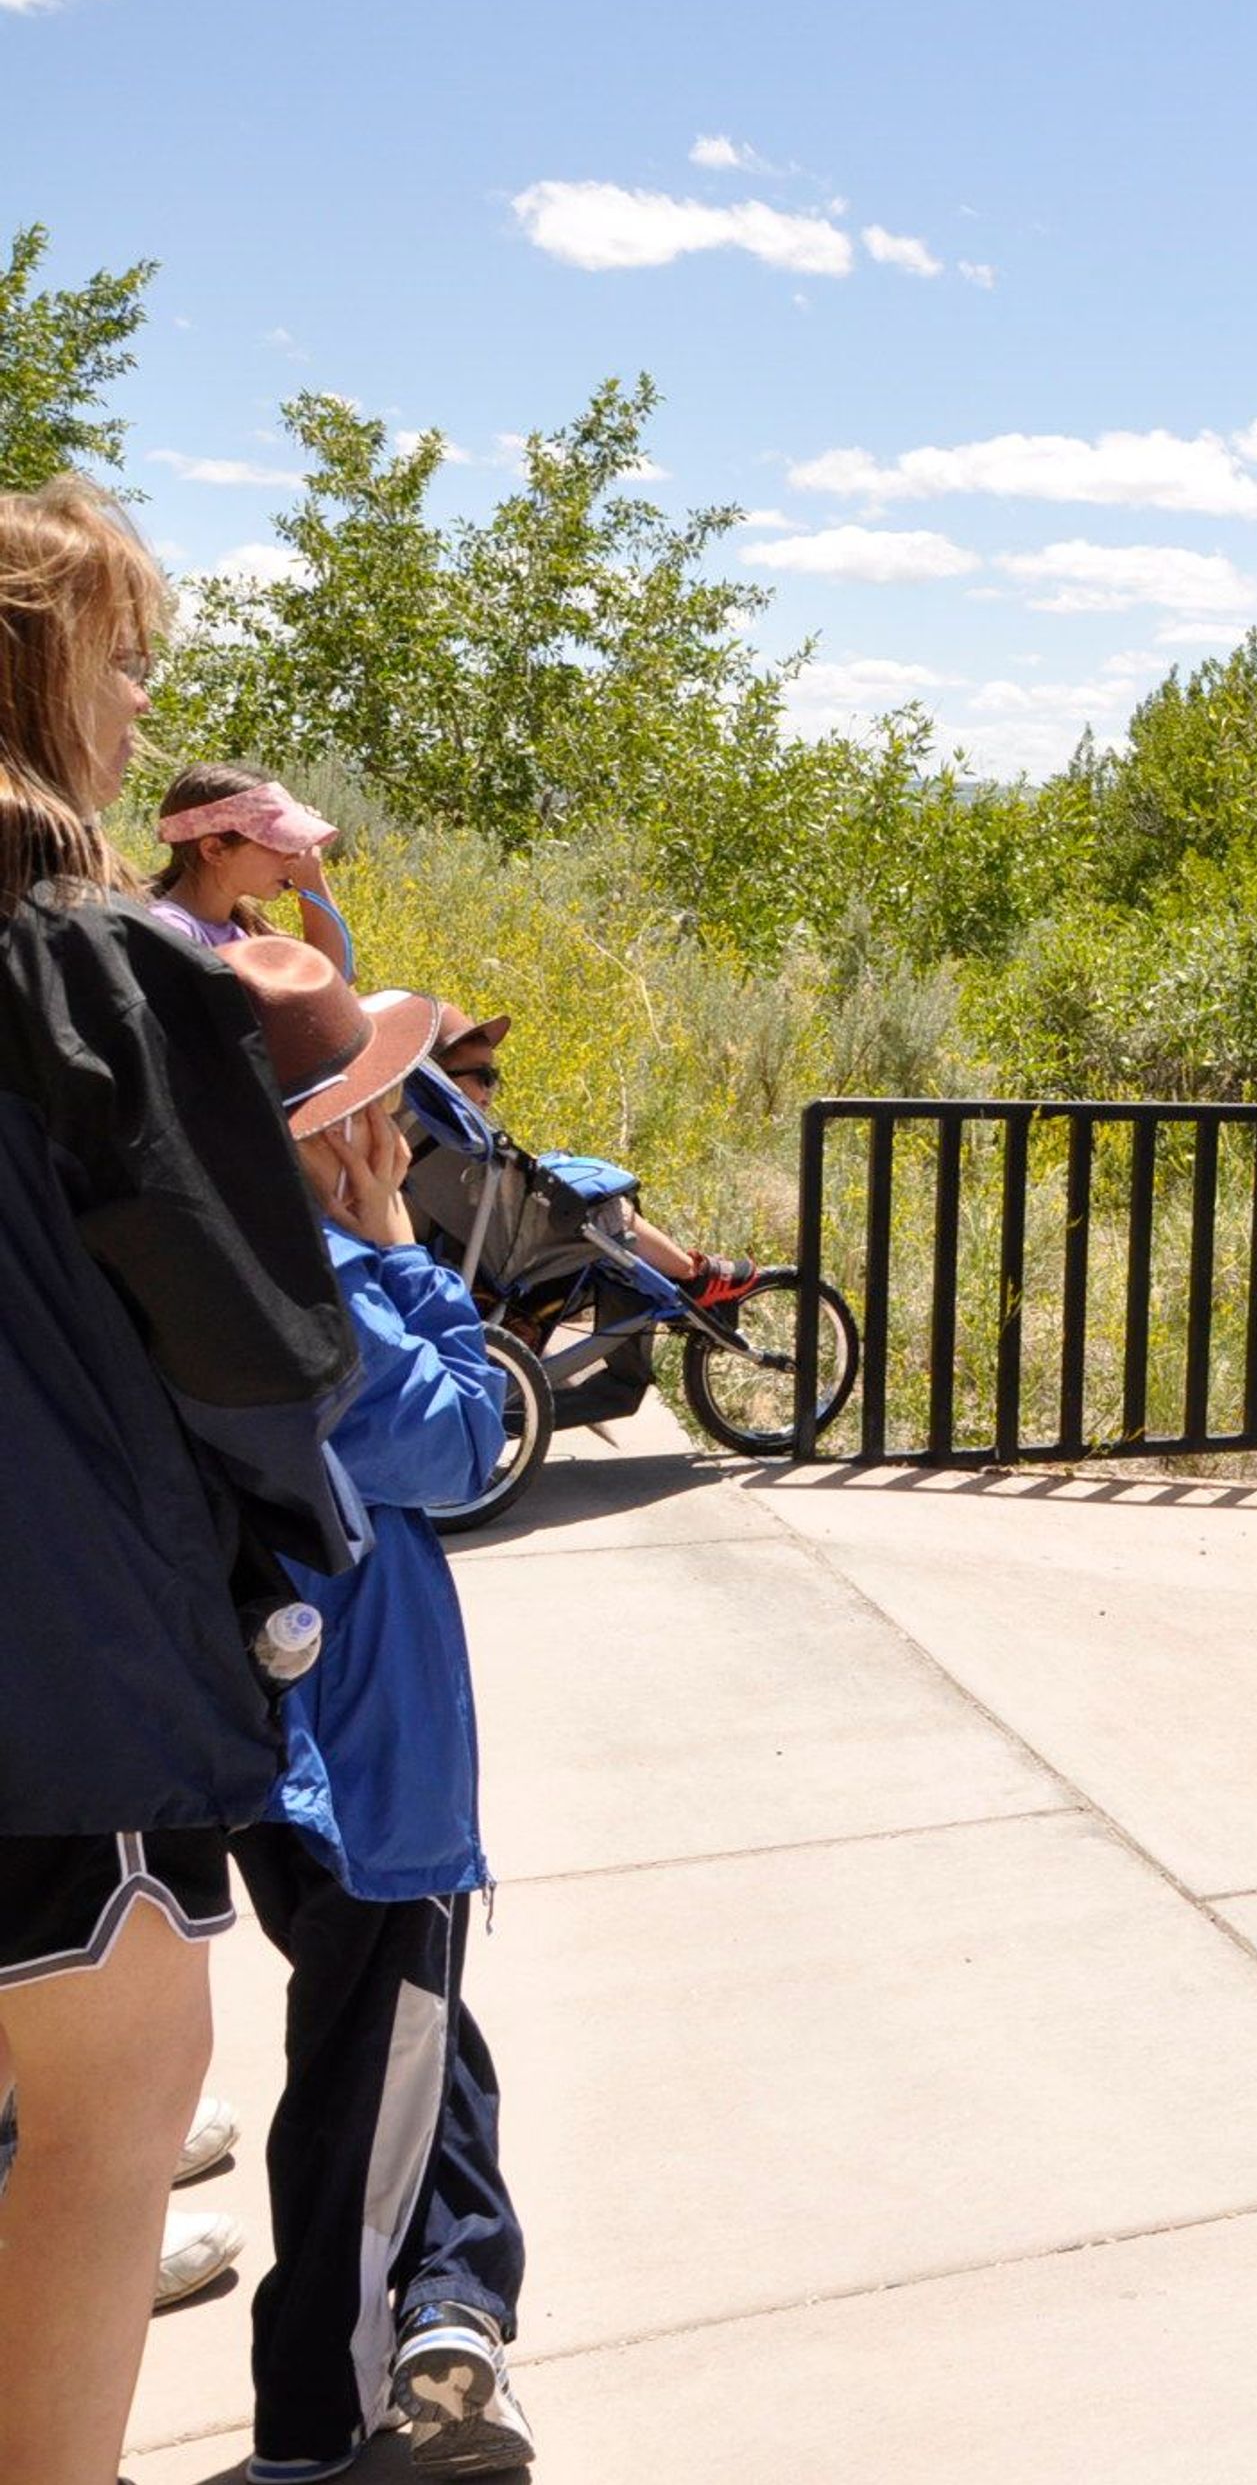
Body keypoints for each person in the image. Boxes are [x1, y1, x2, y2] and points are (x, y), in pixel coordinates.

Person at [0, 475, 360, 2485]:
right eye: (122, 664)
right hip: (65, 1687)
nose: (139, 714)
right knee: (105, 2129)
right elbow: (253, 1353)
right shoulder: (89, 977)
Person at [218, 938, 540, 2482]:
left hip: (293, 1739)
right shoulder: (331, 1283)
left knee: (416, 2043)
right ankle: (323, 2426)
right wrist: (404, 1241)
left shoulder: (220, 1264)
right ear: (324, 1136)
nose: (403, 1132)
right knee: (365, 2092)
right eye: (377, 1108)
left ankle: (455, 2305)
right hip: (367, 1759)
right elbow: (465, 1442)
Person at [414, 1001, 757, 1312]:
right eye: (483, 1077)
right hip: (507, 1245)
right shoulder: (458, 1135)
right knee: (610, 1210)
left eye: (496, 1077)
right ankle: (693, 1275)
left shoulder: (430, 1127)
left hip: (482, 1232)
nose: (491, 1088)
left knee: (584, 1194)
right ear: (444, 1079)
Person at [145, 761, 358, 979]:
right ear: (214, 850)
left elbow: (334, 983)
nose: (295, 855)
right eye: (278, 841)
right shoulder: (171, 929)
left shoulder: (243, 929)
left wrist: (312, 879)